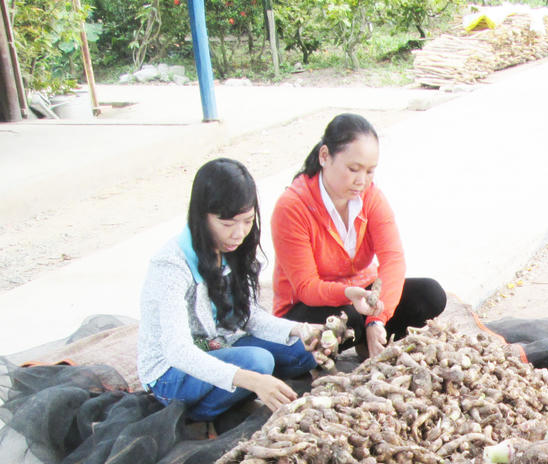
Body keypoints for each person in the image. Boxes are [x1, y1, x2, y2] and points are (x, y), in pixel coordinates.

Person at [139, 158, 330, 421]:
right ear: (201, 216)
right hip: (172, 371)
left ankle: (241, 387)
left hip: (219, 343)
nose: (239, 233)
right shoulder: (171, 265)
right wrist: (251, 379)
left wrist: (300, 329)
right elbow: (178, 351)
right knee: (259, 363)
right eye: (228, 224)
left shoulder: (234, 249)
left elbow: (249, 317)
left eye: (247, 221)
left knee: (304, 348)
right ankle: (198, 414)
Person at [271, 113, 447, 360]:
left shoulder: (372, 197)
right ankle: (341, 343)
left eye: (370, 171)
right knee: (349, 319)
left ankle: (372, 337)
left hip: (361, 298)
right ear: (324, 156)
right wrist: (347, 294)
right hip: (308, 307)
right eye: (353, 169)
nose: (361, 181)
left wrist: (377, 319)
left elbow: (393, 260)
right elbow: (306, 287)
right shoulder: (292, 206)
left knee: (430, 294)